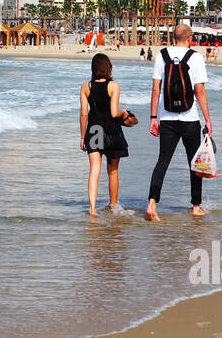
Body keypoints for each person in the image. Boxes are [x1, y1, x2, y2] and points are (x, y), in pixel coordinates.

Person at [146, 24, 212, 220]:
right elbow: (199, 91)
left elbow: (156, 89)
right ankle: (196, 206)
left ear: (174, 37)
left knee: (162, 161)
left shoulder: (162, 55)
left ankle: (152, 202)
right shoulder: (196, 57)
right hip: (190, 119)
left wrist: (153, 118)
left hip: (166, 118)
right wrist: (208, 120)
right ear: (189, 37)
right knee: (195, 163)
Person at [79, 54, 131, 216]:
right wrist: (124, 112)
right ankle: (113, 205)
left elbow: (83, 114)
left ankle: (92, 209)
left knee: (94, 170)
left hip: (94, 130)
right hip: (112, 131)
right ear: (108, 67)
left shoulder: (86, 86)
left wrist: (82, 137)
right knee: (113, 171)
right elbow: (114, 112)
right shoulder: (113, 86)